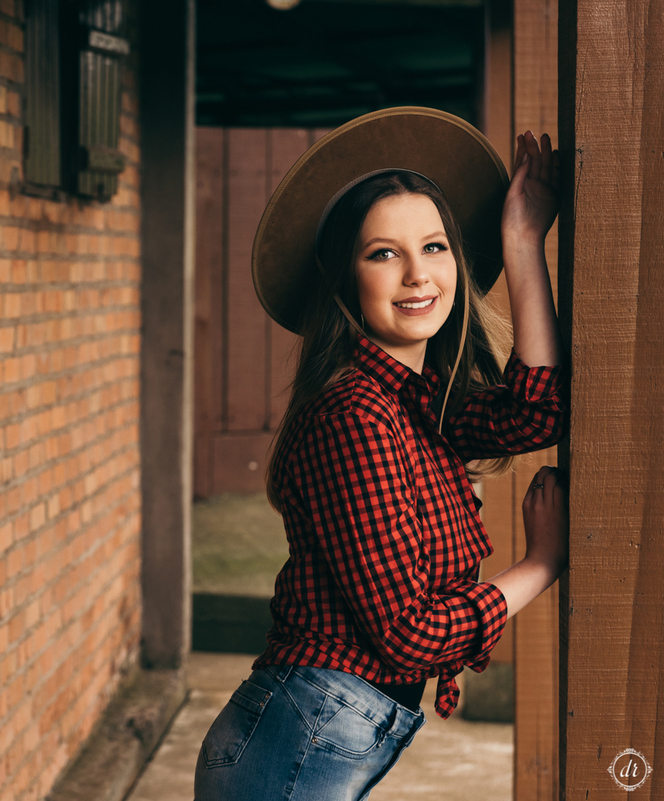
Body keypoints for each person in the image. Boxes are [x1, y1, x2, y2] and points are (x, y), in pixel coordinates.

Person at [193, 108, 569, 801]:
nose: (417, 274)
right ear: (346, 279)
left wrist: (522, 239)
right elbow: (408, 634)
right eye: (383, 253)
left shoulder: (417, 400)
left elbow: (536, 409)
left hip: (325, 733)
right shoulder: (357, 415)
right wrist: (540, 564)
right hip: (299, 738)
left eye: (434, 246)